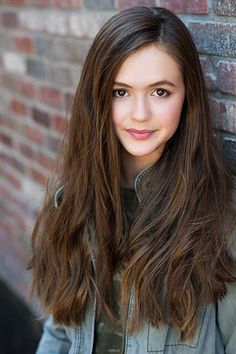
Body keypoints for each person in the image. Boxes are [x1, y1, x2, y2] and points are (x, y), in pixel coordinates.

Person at [29, 6, 236, 354]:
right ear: (97, 98)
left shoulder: (221, 216)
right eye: (120, 92)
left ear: (187, 97)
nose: (140, 114)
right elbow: (61, 330)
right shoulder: (72, 201)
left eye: (160, 92)